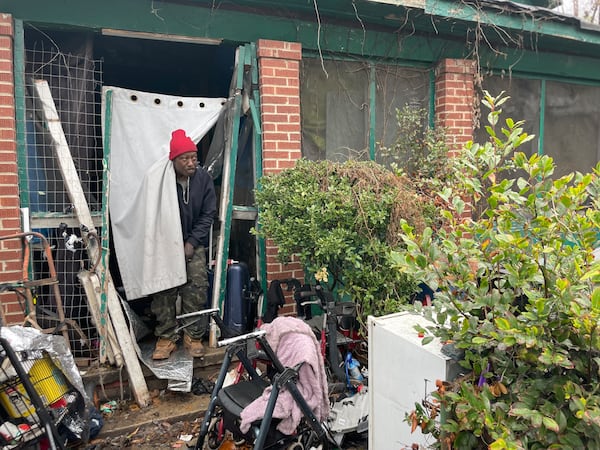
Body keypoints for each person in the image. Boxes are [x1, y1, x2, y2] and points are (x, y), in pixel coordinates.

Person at [151, 129, 217, 360]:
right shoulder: (162, 178)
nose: (191, 162)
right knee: (164, 290)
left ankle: (193, 336)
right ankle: (166, 337)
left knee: (197, 287)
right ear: (174, 160)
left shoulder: (203, 179)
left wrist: (191, 243)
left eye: (193, 157)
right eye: (185, 158)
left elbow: (208, 213)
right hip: (164, 243)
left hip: (193, 241)